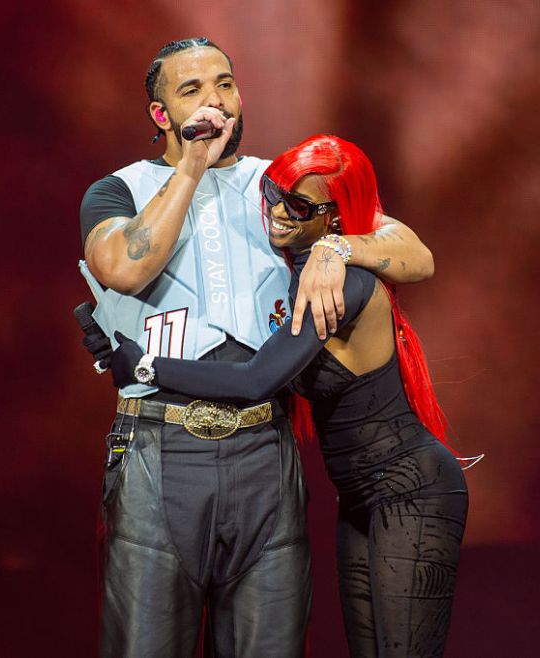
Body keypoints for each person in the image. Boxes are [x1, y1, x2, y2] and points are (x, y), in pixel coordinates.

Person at [78, 38, 437, 657]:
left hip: (264, 450)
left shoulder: (279, 186)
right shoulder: (117, 191)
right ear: (161, 116)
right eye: (192, 91)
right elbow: (123, 268)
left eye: (225, 84)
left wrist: (336, 246)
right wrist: (192, 166)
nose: (216, 102)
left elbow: (414, 254)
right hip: (161, 447)